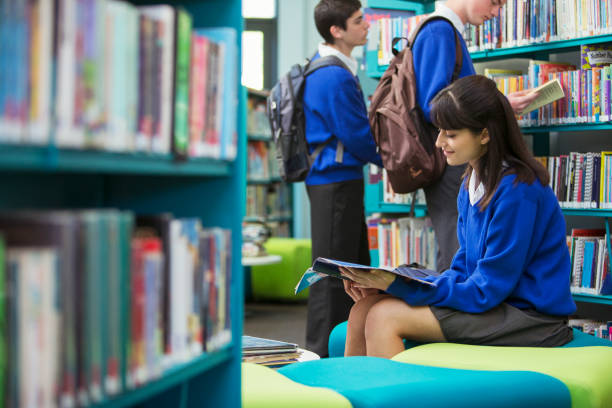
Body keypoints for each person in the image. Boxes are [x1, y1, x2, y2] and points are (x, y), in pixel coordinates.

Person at [340, 75, 577, 358]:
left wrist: (401, 286)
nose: (440, 142)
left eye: (451, 134)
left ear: (485, 134)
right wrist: (392, 285)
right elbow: (464, 269)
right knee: (362, 309)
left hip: (529, 318)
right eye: (440, 132)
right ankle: (350, 401)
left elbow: (487, 289)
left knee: (383, 317)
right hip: (495, 303)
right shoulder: (471, 183)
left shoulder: (518, 190)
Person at [412, 0, 539, 271]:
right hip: (451, 161)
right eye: (494, 2)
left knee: (459, 249)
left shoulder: (449, 33)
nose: (495, 13)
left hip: (458, 153)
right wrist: (499, 106)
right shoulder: (439, 32)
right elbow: (438, 106)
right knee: (455, 249)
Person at [303, 0, 383, 358]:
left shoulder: (331, 68)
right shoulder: (333, 74)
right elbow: (355, 134)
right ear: (336, 30)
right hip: (335, 184)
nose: (366, 25)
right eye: (358, 21)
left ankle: (347, 352)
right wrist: (400, 161)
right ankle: (321, 357)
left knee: (348, 272)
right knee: (331, 278)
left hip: (335, 182)